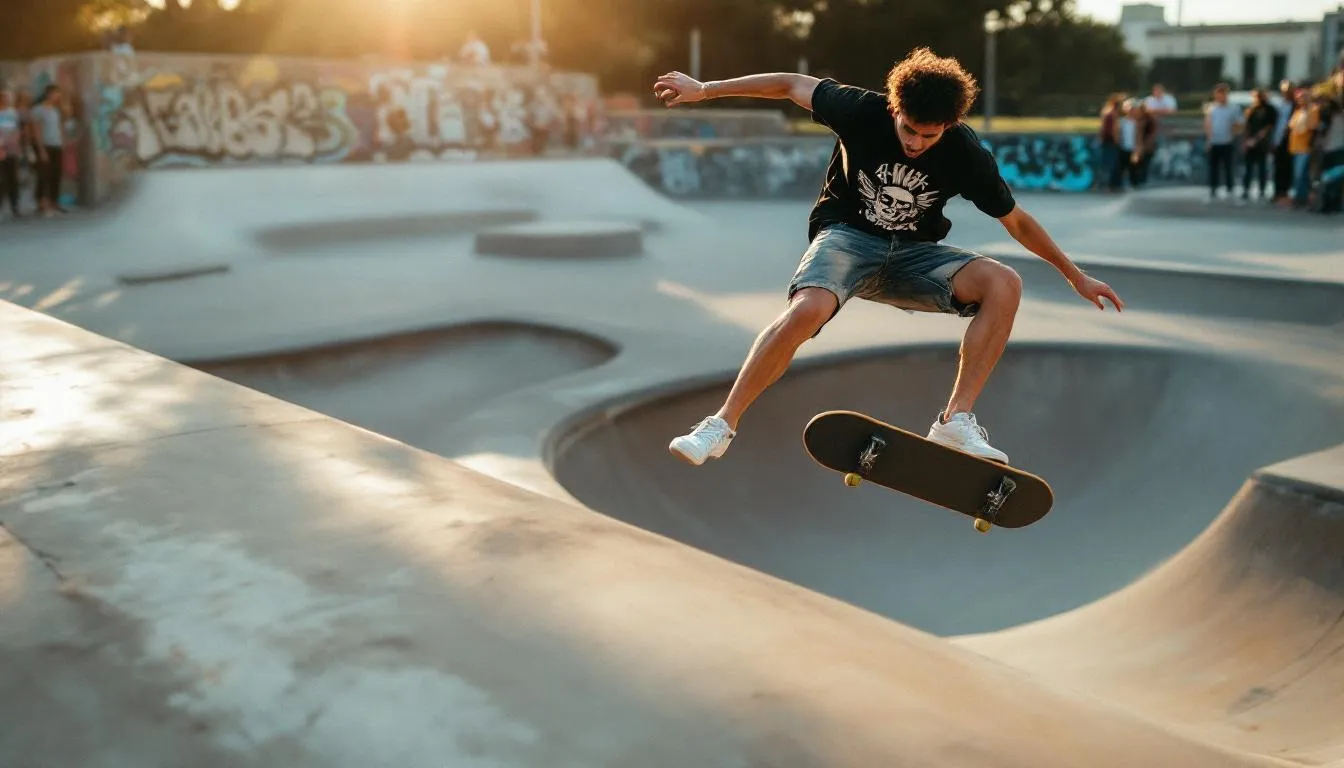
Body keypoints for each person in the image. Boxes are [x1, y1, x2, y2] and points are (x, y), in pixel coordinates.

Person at [652, 48, 1124, 467]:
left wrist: (1074, 276)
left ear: (949, 126)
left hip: (914, 256)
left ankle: (955, 421)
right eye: (908, 129)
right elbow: (790, 84)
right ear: (894, 108)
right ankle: (721, 425)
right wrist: (705, 90)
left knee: (1004, 283)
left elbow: (1016, 221)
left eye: (929, 136)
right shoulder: (860, 110)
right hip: (847, 238)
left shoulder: (965, 153)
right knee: (808, 309)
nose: (915, 143)